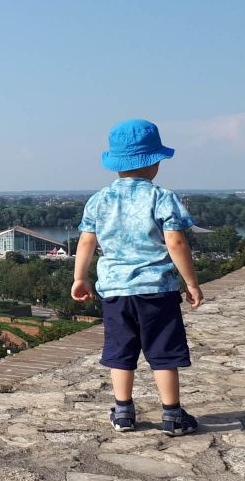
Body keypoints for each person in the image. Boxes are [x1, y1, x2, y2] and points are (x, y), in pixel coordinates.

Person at [71, 119, 204, 436]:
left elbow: (86, 241)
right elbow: (176, 243)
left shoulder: (100, 200)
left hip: (116, 291)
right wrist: (191, 282)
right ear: (155, 162)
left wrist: (80, 277)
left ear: (115, 164)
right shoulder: (162, 197)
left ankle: (123, 413)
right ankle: (172, 415)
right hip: (157, 290)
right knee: (163, 354)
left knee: (120, 353)